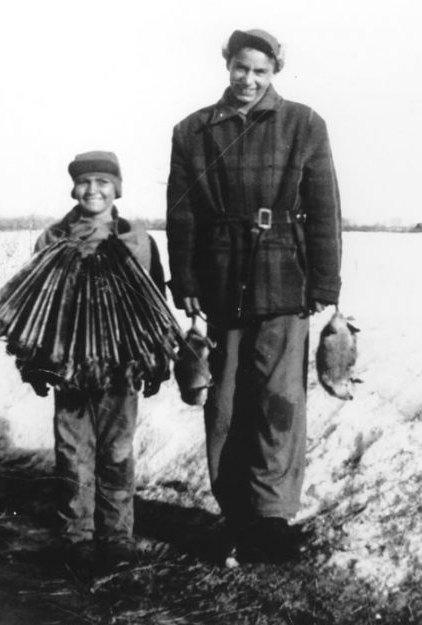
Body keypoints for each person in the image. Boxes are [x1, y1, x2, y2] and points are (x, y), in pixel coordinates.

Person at [166, 29, 342, 564]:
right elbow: (182, 213)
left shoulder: (303, 123)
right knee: (224, 404)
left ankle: (272, 519)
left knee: (279, 401)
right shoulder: (192, 130)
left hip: (284, 276)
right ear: (227, 65)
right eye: (241, 68)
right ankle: (235, 513)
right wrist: (187, 281)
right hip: (219, 280)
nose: (249, 80)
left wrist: (326, 283)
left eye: (260, 72)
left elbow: (324, 208)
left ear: (274, 74)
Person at [26, 151, 166, 573]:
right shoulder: (52, 239)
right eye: (85, 182)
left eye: (103, 182)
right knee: (72, 451)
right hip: (69, 364)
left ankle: (118, 538)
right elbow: (34, 307)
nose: (94, 190)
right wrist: (35, 363)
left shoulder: (136, 239)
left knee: (117, 451)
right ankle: (77, 539)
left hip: (120, 365)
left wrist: (156, 359)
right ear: (74, 188)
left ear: (116, 188)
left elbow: (155, 302)